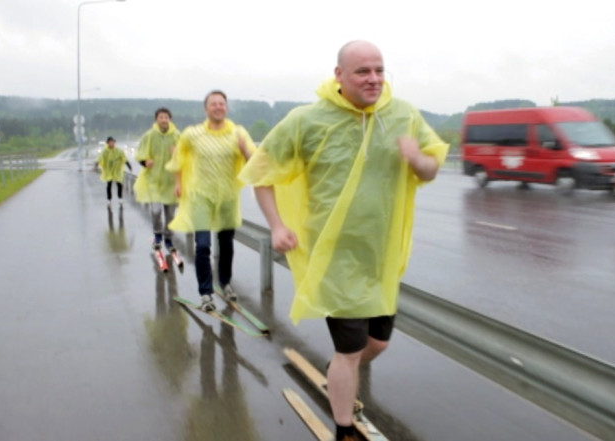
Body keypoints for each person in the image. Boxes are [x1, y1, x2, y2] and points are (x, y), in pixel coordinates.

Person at [239, 40, 448, 441]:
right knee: (350, 352)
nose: (373, 79)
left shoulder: (402, 115)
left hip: (382, 256)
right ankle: (344, 428)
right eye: (362, 71)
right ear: (339, 75)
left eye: (379, 70)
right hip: (334, 258)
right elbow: (260, 172)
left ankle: (340, 376)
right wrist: (277, 226)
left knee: (377, 345)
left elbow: (430, 168)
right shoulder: (307, 120)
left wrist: (418, 160)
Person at [166, 91, 255, 312]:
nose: (218, 107)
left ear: (226, 107)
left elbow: (255, 162)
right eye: (213, 104)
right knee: (203, 245)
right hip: (201, 197)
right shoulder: (192, 134)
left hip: (227, 197)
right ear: (206, 109)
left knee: (226, 245)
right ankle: (206, 292)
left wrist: (245, 151)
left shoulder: (238, 133)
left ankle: (225, 283)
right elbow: (178, 159)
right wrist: (178, 183)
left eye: (221, 104)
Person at [134, 107, 180, 251]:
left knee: (170, 214)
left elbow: (185, 156)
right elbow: (140, 154)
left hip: (170, 182)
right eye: (161, 117)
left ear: (169, 119)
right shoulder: (149, 135)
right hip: (153, 180)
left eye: (166, 117)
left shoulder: (177, 136)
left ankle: (169, 238)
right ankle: (158, 234)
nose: (164, 120)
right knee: (155, 211)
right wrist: (144, 162)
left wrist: (177, 154)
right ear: (156, 119)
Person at [96, 136, 132, 208]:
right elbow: (100, 158)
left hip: (117, 170)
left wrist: (129, 165)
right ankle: (109, 199)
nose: (112, 143)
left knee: (119, 184)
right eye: (110, 142)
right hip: (108, 170)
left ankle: (120, 198)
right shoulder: (105, 151)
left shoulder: (118, 150)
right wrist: (95, 165)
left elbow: (124, 158)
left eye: (113, 142)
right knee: (109, 185)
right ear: (108, 143)